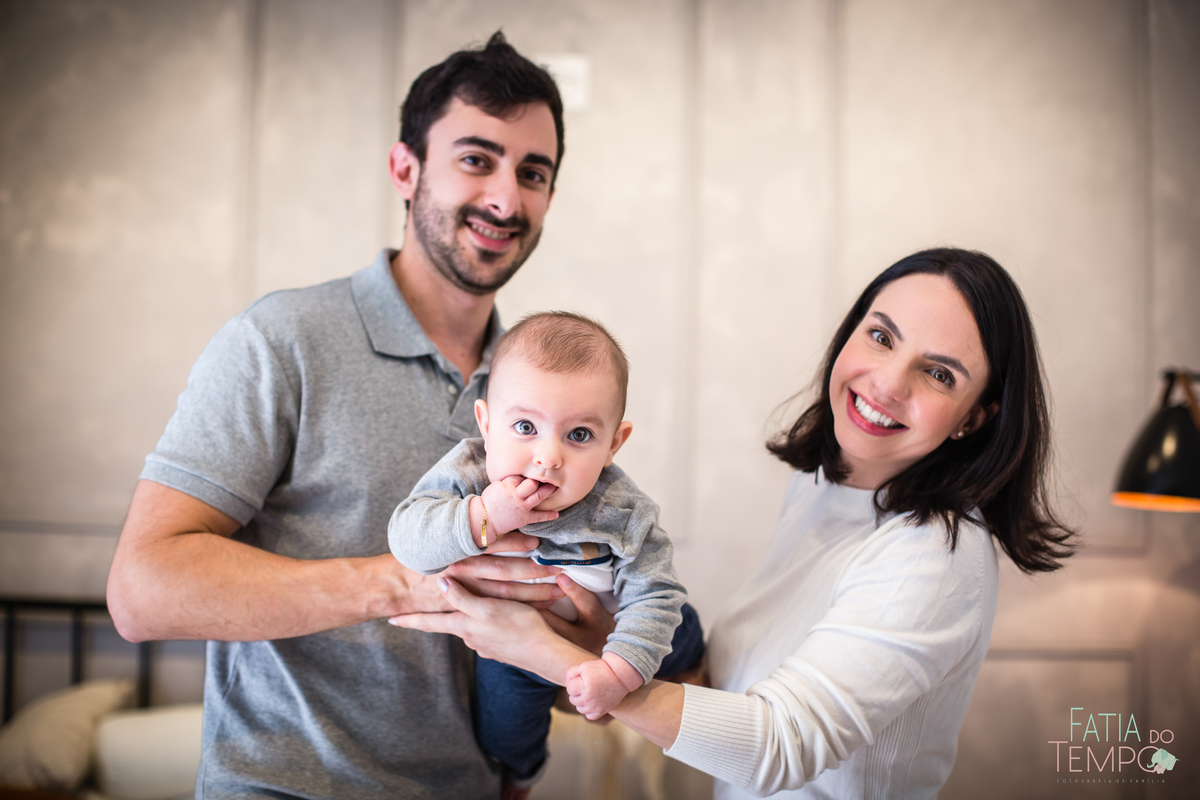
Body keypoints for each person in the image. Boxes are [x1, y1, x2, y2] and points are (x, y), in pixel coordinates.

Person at [393, 248, 1077, 799]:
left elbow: (776, 747)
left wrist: (544, 653)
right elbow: (724, 690)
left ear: (978, 416)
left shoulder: (939, 555)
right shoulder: (821, 489)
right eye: (881, 335)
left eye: (938, 374)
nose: (887, 383)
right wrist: (603, 643)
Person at [106, 32, 577, 799]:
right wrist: (400, 583)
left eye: (533, 172)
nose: (505, 198)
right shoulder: (281, 340)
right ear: (405, 168)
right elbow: (142, 590)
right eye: (475, 158)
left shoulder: (542, 393)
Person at [389, 311, 705, 788]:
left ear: (614, 445)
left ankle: (694, 664)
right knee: (504, 730)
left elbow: (656, 595)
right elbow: (406, 538)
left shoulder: (621, 509)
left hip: (622, 626)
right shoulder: (468, 474)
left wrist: (617, 671)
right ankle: (519, 778)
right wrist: (485, 517)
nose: (548, 457)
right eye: (524, 427)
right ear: (486, 423)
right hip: (514, 646)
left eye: (579, 435)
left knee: (682, 628)